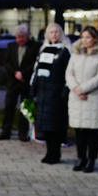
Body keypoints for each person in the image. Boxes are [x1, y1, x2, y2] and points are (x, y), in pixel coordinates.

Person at [65, 26, 98, 173]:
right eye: (83, 37)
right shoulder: (76, 54)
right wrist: (76, 88)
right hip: (77, 97)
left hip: (93, 97)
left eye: (88, 37)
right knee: (79, 130)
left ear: (95, 39)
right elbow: (69, 73)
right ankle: (81, 158)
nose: (85, 40)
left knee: (93, 131)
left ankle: (91, 159)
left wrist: (83, 89)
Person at [30, 23, 71, 164]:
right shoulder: (43, 50)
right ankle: (48, 152)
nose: (54, 34)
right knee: (46, 127)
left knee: (55, 127)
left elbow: (69, 73)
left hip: (57, 95)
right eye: (51, 32)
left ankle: (56, 154)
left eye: (56, 32)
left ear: (61, 34)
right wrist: (33, 88)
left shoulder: (65, 51)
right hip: (43, 95)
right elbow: (37, 71)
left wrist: (65, 91)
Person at [0, 24, 40, 141]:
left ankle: (23, 132)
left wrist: (23, 74)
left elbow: (35, 63)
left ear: (27, 35)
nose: (20, 40)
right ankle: (5, 131)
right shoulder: (11, 46)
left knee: (25, 108)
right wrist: (15, 73)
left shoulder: (35, 47)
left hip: (26, 82)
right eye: (18, 37)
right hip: (13, 82)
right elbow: (7, 63)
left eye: (22, 37)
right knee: (8, 107)